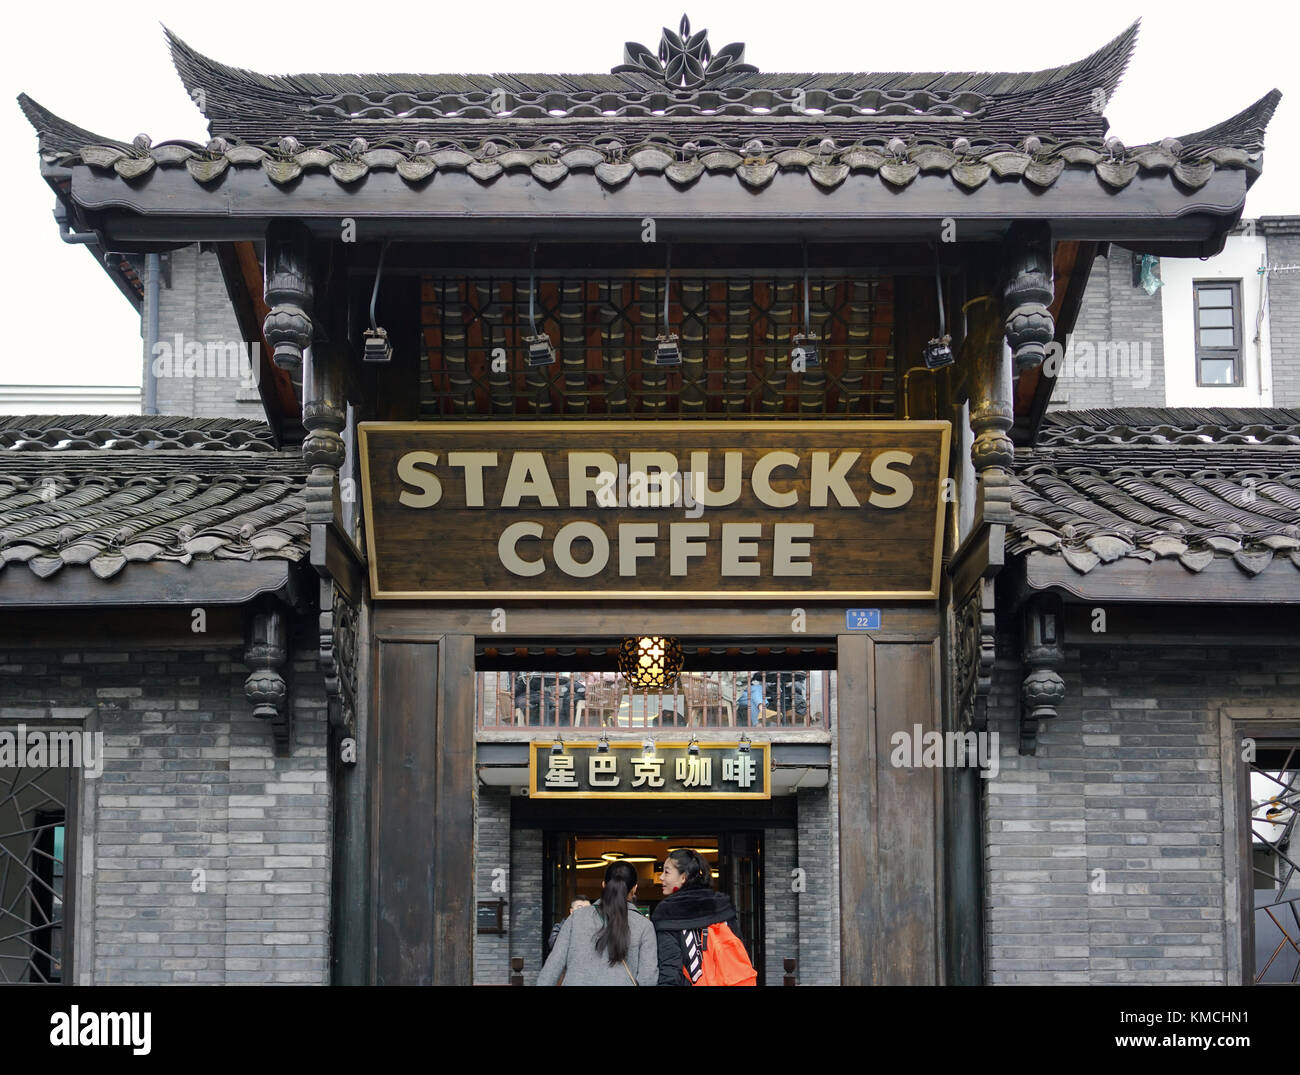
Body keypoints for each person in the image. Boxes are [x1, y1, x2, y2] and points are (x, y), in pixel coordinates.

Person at [537, 861, 657, 986]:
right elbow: (648, 979)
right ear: (634, 888)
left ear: (604, 885)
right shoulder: (644, 926)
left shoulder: (576, 918)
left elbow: (552, 968)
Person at [651, 848, 742, 986]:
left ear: (683, 877)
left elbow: (670, 970)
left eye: (667, 872)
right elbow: (739, 956)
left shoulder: (667, 913)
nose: (661, 877)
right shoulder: (721, 906)